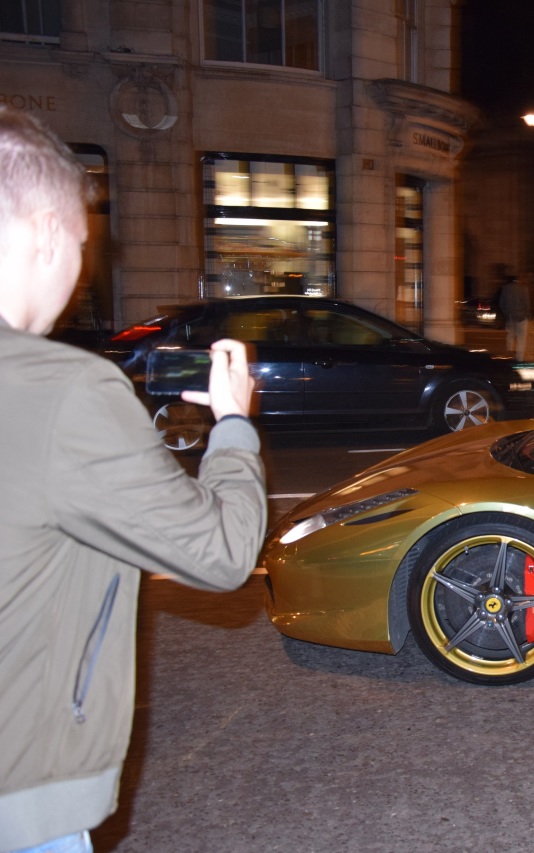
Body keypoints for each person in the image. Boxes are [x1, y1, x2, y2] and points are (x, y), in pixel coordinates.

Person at [0, 108, 268, 853]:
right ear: (49, 232)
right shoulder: (63, 389)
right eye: (82, 246)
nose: (79, 267)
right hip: (17, 793)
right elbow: (221, 552)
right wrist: (234, 425)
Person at [499, 271, 534, 361]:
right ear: (519, 279)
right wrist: (526, 314)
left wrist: (507, 314)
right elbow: (527, 304)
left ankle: (509, 353)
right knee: (521, 338)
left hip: (510, 316)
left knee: (510, 334)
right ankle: (519, 358)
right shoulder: (523, 288)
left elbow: (501, 304)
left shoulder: (506, 288)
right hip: (521, 317)